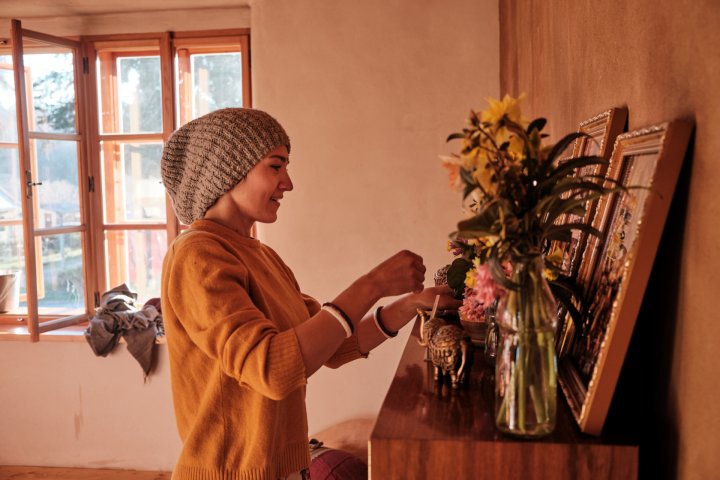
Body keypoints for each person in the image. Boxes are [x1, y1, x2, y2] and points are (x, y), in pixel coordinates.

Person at [160, 108, 460, 480]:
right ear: (227, 172)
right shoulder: (197, 255)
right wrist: (372, 285)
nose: (287, 183)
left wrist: (411, 303)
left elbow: (333, 345)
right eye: (275, 166)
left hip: (284, 467)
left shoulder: (263, 256)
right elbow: (272, 370)